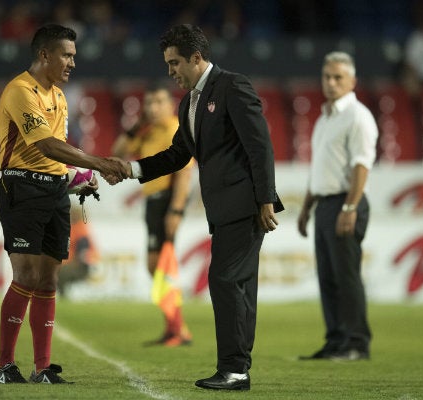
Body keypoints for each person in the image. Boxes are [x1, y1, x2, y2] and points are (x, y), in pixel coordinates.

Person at [108, 24, 283, 391]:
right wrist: (132, 169)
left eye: (174, 63)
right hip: (221, 210)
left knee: (224, 280)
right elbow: (177, 155)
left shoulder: (232, 86)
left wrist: (265, 197)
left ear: (196, 58)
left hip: (245, 206)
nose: (170, 71)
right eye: (167, 64)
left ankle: (234, 369)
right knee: (238, 287)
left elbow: (260, 144)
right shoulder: (189, 102)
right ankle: (237, 368)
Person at [0, 23, 127, 385]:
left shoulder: (60, 97)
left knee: (49, 279)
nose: (72, 63)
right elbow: (46, 145)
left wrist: (79, 176)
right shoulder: (20, 91)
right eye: (66, 55)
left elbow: (58, 155)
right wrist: (99, 162)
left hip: (53, 192)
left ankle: (42, 369)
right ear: (44, 54)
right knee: (27, 275)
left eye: (74, 56)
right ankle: (4, 366)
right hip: (22, 189)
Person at [297, 52, 378, 361]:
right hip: (325, 203)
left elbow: (362, 166)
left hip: (346, 201)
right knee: (328, 277)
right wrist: (306, 208)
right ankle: (336, 340)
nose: (330, 83)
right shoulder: (325, 117)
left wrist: (350, 208)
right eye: (327, 77)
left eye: (338, 78)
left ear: (352, 81)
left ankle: (357, 342)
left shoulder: (358, 116)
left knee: (346, 275)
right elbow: (321, 168)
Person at [112, 85, 194, 347]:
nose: (152, 108)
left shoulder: (174, 129)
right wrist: (138, 126)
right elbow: (118, 153)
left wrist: (176, 210)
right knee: (157, 265)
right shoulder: (147, 131)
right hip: (153, 200)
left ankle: (178, 330)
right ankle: (175, 328)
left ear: (170, 104)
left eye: (158, 102)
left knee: (162, 265)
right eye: (148, 103)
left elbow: (184, 172)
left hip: (167, 200)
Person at [56, 204, 99, 296]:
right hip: (68, 264)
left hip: (79, 266)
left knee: (60, 272)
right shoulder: (72, 228)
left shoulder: (80, 230)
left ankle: (63, 296)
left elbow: (83, 252)